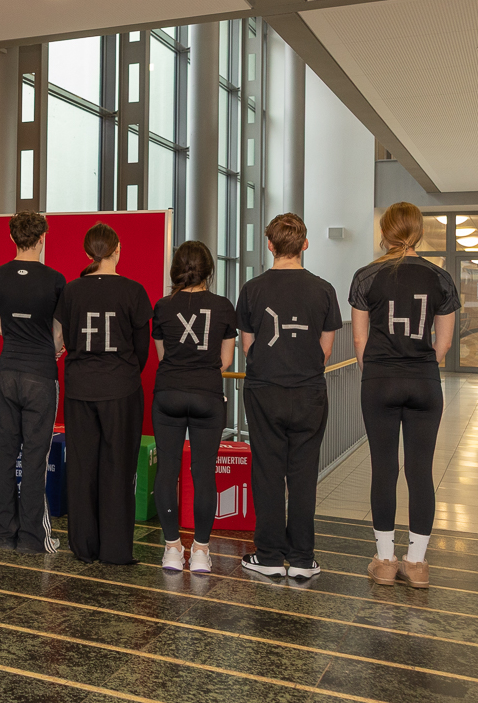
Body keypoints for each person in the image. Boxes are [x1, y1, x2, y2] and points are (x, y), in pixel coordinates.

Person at [350, 202, 458, 588]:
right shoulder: (440, 277)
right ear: (419, 232)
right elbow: (444, 343)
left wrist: (376, 372)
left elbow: (359, 340)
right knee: (420, 470)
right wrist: (421, 367)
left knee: (384, 467)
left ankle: (384, 561)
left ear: (385, 232)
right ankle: (416, 564)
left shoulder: (366, 276)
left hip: (380, 379)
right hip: (424, 381)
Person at [237, 213, 341, 578]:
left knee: (267, 472)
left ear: (270, 245)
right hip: (309, 390)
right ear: (305, 244)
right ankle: (301, 559)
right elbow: (326, 349)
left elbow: (247, 346)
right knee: (303, 473)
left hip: (264, 390)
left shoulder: (252, 289)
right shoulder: (324, 289)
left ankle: (268, 557)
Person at [54, 222, 152, 565]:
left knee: (82, 468)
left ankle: (84, 546)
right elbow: (142, 349)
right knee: (119, 468)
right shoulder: (134, 291)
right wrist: (123, 373)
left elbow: (63, 339)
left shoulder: (71, 290)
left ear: (87, 253)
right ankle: (115, 550)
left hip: (80, 387)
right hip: (121, 388)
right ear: (118, 249)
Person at [151, 241, 237, 573]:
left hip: (169, 394)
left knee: (167, 471)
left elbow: (163, 357)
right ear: (209, 271)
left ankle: (172, 549)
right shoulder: (223, 306)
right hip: (207, 395)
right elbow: (225, 361)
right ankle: (200, 551)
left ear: (176, 269)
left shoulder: (162, 306)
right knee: (203, 474)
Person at [0, 212, 65, 554]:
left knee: (4, 454)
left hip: (7, 374)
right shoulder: (56, 280)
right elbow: (59, 334)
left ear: (11, 238)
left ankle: (3, 535)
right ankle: (33, 538)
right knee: (35, 458)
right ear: (42, 238)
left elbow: (0, 328)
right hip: (40, 375)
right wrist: (54, 348)